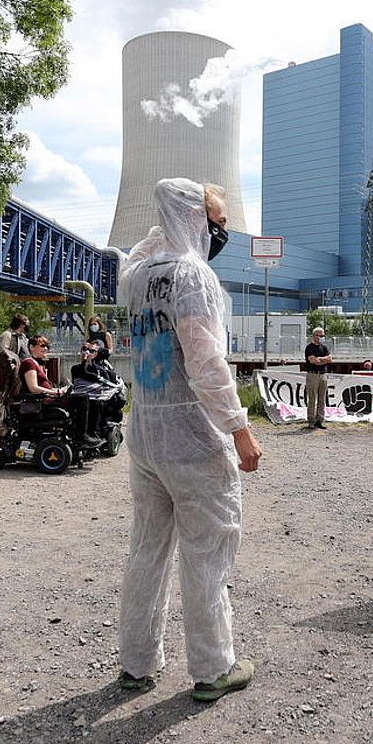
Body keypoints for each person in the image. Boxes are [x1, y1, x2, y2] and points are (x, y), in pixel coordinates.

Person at [117, 178, 262, 702]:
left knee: (147, 550)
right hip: (192, 435)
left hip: (146, 432)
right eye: (217, 220)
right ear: (195, 221)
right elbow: (205, 362)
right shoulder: (193, 276)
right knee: (207, 552)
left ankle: (137, 663)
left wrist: (164, 228)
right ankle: (212, 667)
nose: (221, 230)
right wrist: (239, 429)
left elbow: (137, 253)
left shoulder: (137, 276)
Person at [303, 327, 332, 428]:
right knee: (312, 398)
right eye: (321, 335)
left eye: (323, 335)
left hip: (323, 375)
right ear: (315, 336)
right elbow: (312, 360)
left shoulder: (324, 348)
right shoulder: (309, 348)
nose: (322, 337)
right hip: (312, 375)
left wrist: (320, 359)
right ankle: (311, 420)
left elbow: (330, 359)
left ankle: (320, 420)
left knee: (322, 399)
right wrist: (322, 360)